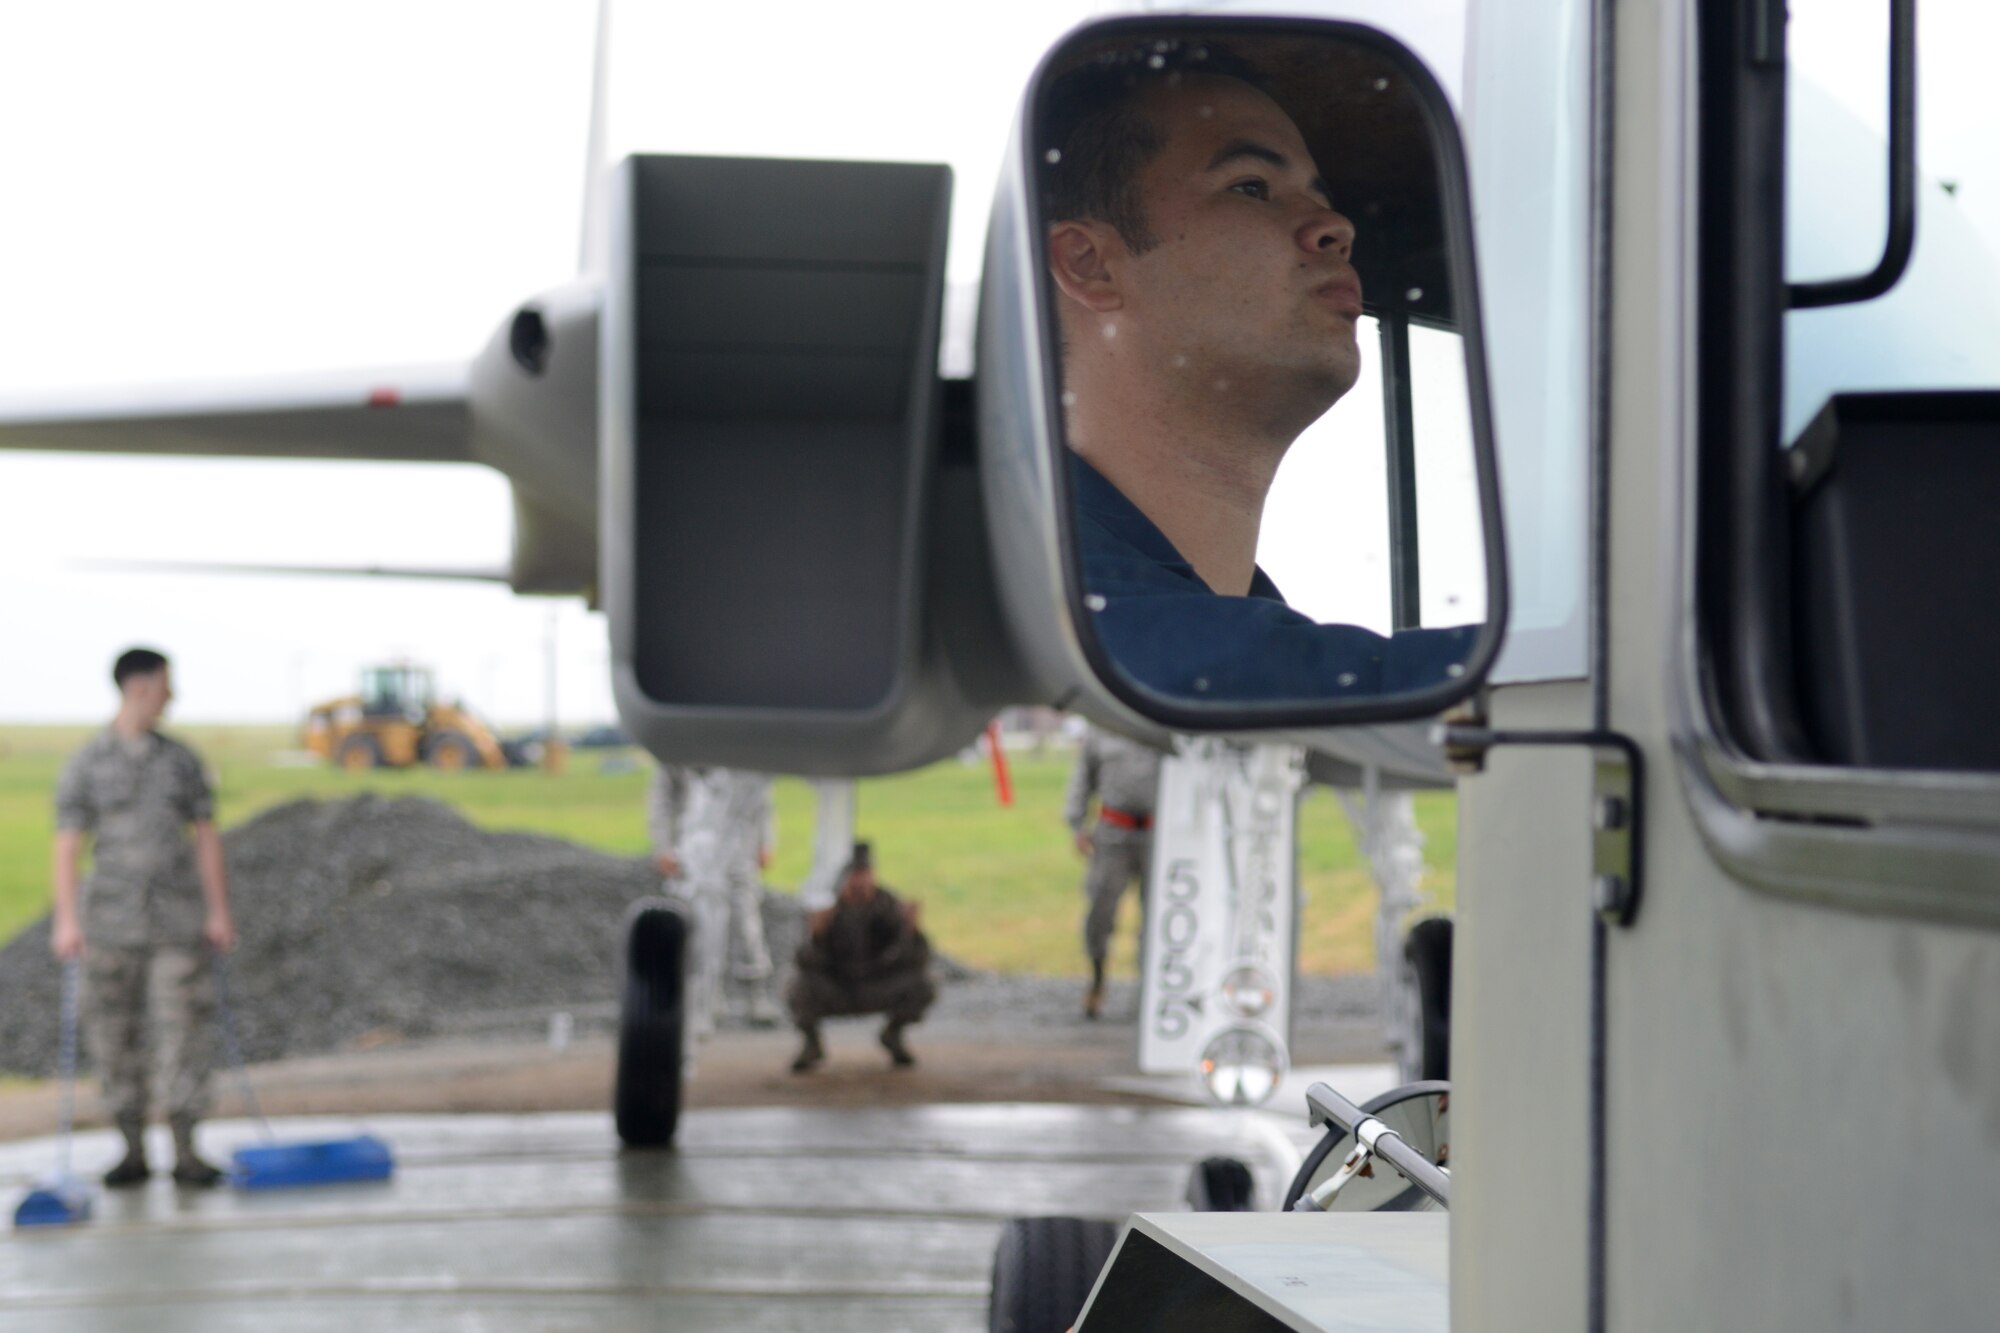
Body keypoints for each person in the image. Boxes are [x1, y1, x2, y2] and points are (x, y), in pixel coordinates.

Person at [1041, 45, 1477, 701]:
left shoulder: (1215, 615)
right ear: (1089, 263)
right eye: (1251, 187)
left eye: (1320, 197)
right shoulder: (1064, 594)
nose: (1337, 227)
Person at [51, 647, 235, 1187]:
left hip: (177, 923)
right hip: (108, 925)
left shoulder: (180, 761)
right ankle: (131, 1149)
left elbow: (205, 838)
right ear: (139, 688)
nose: (171, 698)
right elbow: (67, 845)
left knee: (183, 1031)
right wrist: (67, 922)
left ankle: (186, 1151)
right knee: (113, 1035)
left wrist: (218, 912)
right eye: (164, 686)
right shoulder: (87, 763)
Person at [646, 765, 781, 1038]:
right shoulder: (679, 752)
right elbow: (662, 798)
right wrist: (663, 846)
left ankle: (756, 992)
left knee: (747, 923)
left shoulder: (740, 750)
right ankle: (705, 1002)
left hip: (740, 846)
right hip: (698, 849)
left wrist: (765, 841)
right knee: (704, 927)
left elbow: (761, 799)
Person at [785, 842, 935, 1074]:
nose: (860, 884)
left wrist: (912, 931)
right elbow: (803, 962)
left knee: (923, 984)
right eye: (855, 877)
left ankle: (893, 1035)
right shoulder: (827, 909)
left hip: (877, 983)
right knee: (797, 987)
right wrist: (817, 936)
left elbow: (917, 959)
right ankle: (812, 1044)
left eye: (864, 876)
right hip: (837, 985)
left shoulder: (887, 906)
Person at [1063, 723, 1163, 1019]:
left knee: (1157, 917)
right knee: (1100, 912)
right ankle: (1097, 980)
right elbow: (1083, 776)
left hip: (1158, 836)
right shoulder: (1103, 727)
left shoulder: (1163, 725)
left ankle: (1151, 989)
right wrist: (1078, 823)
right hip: (1112, 835)